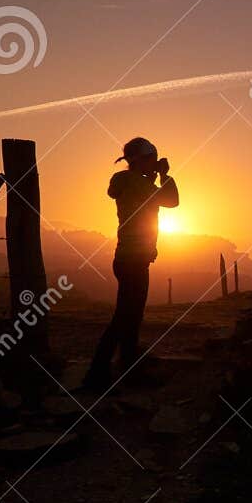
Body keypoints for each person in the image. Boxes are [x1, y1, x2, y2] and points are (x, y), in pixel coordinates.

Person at [82, 137, 179, 391]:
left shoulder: (130, 183)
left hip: (127, 257)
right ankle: (98, 375)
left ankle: (125, 371)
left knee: (129, 317)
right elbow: (171, 201)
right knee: (125, 318)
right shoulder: (138, 183)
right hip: (134, 261)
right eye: (152, 158)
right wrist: (165, 175)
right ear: (140, 160)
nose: (155, 163)